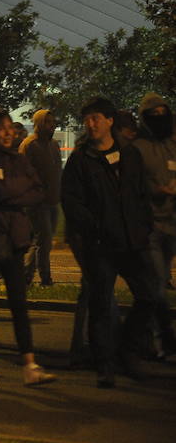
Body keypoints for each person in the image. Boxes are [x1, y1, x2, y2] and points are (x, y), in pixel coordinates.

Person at [62, 97, 176, 386]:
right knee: (101, 304)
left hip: (131, 240)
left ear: (110, 121)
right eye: (87, 119)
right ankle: (106, 364)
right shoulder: (81, 158)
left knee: (149, 295)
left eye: (97, 118)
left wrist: (143, 226)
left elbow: (139, 194)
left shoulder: (129, 154)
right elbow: (72, 201)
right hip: (100, 244)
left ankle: (127, 350)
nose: (91, 123)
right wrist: (94, 228)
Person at [0, 110, 55, 389]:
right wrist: (17, 189)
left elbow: (39, 191)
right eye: (1, 129)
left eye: (10, 128)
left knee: (19, 303)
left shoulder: (19, 159)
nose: (8, 133)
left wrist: (9, 188)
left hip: (15, 238)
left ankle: (29, 365)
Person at [131, 94, 176, 294]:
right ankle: (160, 324)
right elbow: (133, 184)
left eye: (163, 113)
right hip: (149, 225)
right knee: (155, 281)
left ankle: (150, 323)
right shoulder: (137, 148)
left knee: (162, 278)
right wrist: (156, 190)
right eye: (154, 114)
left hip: (171, 223)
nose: (160, 117)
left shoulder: (172, 146)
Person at [20, 110, 63, 286]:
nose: (51, 125)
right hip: (37, 202)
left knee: (42, 241)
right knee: (43, 240)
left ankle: (26, 277)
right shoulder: (29, 145)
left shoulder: (53, 144)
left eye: (53, 122)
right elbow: (22, 173)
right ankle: (45, 279)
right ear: (38, 123)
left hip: (53, 200)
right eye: (47, 122)